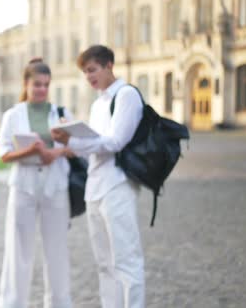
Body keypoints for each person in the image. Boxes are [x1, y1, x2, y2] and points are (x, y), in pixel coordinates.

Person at [51, 45, 145, 308]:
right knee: (105, 264)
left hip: (118, 185)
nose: (89, 77)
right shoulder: (98, 103)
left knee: (127, 260)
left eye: (92, 70)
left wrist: (74, 142)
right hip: (95, 187)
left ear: (109, 66)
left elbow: (115, 142)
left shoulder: (126, 96)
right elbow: (94, 144)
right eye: (84, 72)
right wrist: (70, 143)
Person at [0, 58, 73, 308]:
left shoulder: (61, 114)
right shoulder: (13, 115)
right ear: (26, 84)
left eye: (46, 85)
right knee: (18, 253)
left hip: (56, 187)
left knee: (57, 252)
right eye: (37, 84)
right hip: (24, 188)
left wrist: (56, 152)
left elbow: (78, 148)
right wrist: (31, 151)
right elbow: (4, 154)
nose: (41, 89)